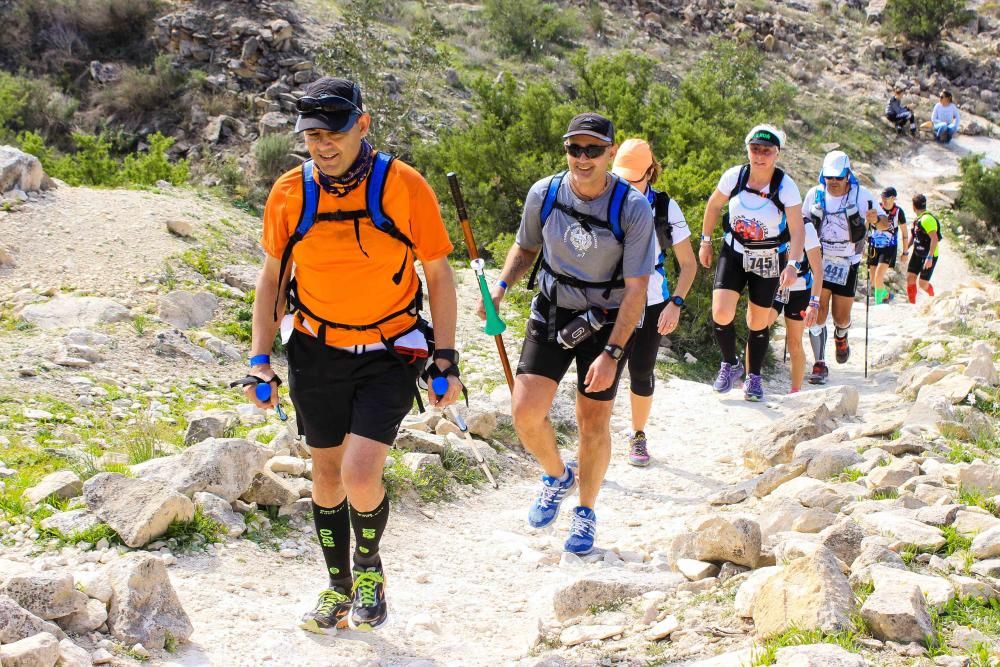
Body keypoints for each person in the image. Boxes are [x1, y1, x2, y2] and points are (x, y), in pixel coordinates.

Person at [243, 77, 462, 633]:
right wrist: (259, 359)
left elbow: (438, 273)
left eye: (333, 132)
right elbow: (272, 280)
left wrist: (446, 356)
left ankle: (369, 572)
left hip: (391, 348)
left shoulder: (404, 185)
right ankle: (336, 588)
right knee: (325, 476)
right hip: (317, 350)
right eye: (312, 134)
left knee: (361, 475)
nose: (322, 144)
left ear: (362, 125)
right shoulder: (290, 193)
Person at [482, 113, 653, 554]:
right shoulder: (546, 193)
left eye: (592, 149)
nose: (582, 157)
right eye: (574, 148)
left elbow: (637, 290)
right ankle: (558, 475)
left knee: (591, 422)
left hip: (607, 322)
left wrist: (613, 353)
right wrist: (500, 288)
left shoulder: (633, 209)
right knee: (524, 412)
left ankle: (585, 512)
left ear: (610, 153)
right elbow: (526, 246)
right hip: (552, 310)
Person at [699, 124, 805, 402]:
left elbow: (797, 228)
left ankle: (754, 377)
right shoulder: (735, 176)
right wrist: (705, 241)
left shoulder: (786, 186)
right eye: (754, 149)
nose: (760, 156)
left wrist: (792, 263)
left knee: (757, 321)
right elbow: (713, 206)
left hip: (768, 257)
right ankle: (730, 363)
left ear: (777, 154)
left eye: (766, 151)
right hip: (734, 252)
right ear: (747, 150)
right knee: (721, 312)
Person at [611, 138, 697, 467]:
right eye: (621, 176)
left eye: (633, 178)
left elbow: (688, 264)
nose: (625, 185)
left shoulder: (664, 207)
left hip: (651, 300)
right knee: (604, 368)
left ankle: (638, 435)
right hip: (608, 298)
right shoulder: (603, 195)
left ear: (650, 171)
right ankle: (594, 438)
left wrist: (675, 302)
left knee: (641, 369)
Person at [805, 151, 886, 385]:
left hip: (847, 263)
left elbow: (884, 223)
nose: (833, 183)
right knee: (818, 310)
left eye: (838, 178)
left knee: (841, 317)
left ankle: (842, 335)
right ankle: (819, 363)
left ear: (847, 176)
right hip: (819, 261)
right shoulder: (815, 195)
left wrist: (875, 220)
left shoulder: (862, 196)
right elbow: (801, 220)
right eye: (829, 178)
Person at [768, 217, 822, 393]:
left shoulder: (806, 226)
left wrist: (813, 303)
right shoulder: (771, 218)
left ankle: (795, 391)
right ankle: (749, 377)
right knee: (759, 328)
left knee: (794, 342)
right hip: (774, 286)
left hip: (800, 289)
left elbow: (818, 269)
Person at [867, 186, 910, 305]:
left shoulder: (898, 212)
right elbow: (867, 224)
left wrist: (905, 252)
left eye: (887, 198)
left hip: (889, 248)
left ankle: (878, 303)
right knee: (873, 281)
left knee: (878, 276)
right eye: (882, 197)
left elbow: (905, 234)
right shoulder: (877, 208)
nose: (884, 200)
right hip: (874, 247)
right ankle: (886, 295)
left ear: (894, 198)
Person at [906, 194, 941, 303]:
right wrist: (906, 249)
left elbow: (934, 239)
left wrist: (930, 258)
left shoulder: (927, 219)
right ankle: (912, 304)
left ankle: (933, 297)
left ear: (913, 206)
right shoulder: (918, 219)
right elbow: (915, 235)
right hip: (917, 252)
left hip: (929, 255)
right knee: (910, 278)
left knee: (922, 284)